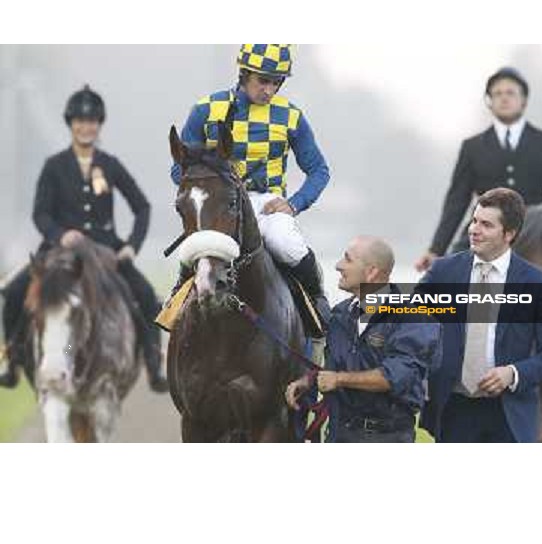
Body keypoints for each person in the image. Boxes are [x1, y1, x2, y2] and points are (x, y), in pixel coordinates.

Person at [414, 66, 542, 395]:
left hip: (540, 231)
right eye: (497, 93)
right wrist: (436, 247)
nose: (503, 98)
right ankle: (430, 359)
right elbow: (457, 199)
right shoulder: (472, 146)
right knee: (443, 280)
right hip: (483, 230)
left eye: (510, 92)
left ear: (524, 100)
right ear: (490, 102)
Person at [0, 85, 168, 392]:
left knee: (145, 295)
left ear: (99, 124)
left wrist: (131, 246)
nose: (86, 126)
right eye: (79, 120)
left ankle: (154, 365)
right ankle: (10, 360)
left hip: (107, 251)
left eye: (92, 121)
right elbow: (41, 214)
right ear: (71, 123)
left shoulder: (111, 164)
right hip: (57, 251)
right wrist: (60, 235)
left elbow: (142, 207)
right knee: (13, 293)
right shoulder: (54, 166)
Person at [170, 44, 330, 324]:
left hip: (265, 203)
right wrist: (205, 189)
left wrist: (293, 204)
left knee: (285, 243)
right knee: (194, 248)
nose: (269, 89)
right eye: (263, 80)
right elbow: (179, 168)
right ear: (244, 75)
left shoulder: (291, 116)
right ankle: (176, 305)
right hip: (219, 203)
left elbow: (319, 170)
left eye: (276, 82)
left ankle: (318, 305)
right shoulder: (207, 109)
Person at [419, 188, 542, 443]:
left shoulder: (539, 283)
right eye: (474, 221)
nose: (474, 230)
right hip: (454, 410)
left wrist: (513, 373)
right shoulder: (443, 271)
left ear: (509, 234)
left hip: (510, 415)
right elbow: (408, 316)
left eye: (486, 225)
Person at [285, 236, 442, 443]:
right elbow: (337, 368)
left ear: (372, 272)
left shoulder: (414, 317)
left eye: (347, 259)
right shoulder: (339, 315)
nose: (338, 266)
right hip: (338, 434)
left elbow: (394, 377)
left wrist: (338, 380)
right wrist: (310, 381)